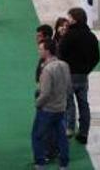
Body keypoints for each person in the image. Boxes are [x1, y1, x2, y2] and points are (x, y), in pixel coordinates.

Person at [57, 8, 100, 144]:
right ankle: (84, 133)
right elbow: (96, 57)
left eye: (69, 18)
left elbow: (60, 52)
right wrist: (87, 70)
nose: (67, 20)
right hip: (83, 76)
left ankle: (69, 129)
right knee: (84, 104)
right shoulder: (91, 36)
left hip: (69, 75)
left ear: (74, 19)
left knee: (69, 104)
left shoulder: (69, 35)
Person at [32, 38, 71, 170]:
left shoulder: (47, 70)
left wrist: (38, 103)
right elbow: (68, 86)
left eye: (41, 49)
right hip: (61, 108)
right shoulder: (65, 65)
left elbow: (45, 93)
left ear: (47, 51)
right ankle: (64, 164)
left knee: (38, 136)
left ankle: (40, 163)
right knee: (61, 137)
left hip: (47, 109)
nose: (39, 51)